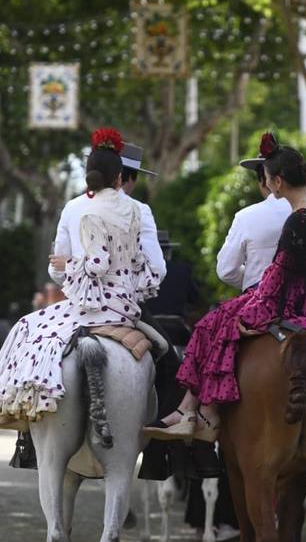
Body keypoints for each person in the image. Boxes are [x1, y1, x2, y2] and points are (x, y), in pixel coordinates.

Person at [143, 133, 306, 446]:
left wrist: (256, 303)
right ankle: (192, 411)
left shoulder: (292, 219)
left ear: (275, 182)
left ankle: (195, 412)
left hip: (286, 298)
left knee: (216, 323)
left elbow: (275, 272)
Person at [0, 128, 161, 428]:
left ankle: (26, 421)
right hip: (126, 309)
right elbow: (155, 269)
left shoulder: (76, 209)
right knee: (165, 355)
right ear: (122, 177)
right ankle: (163, 433)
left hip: (84, 308)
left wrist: (71, 267)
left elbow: (59, 270)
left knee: (27, 331)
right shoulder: (139, 211)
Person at [217, 153, 306, 292]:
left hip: (262, 304)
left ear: (266, 181)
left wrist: (254, 282)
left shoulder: (245, 217)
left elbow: (226, 270)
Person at [49, 140, 166, 289]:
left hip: (79, 301)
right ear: (122, 178)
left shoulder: (72, 207)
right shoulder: (139, 210)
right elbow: (158, 270)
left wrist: (73, 270)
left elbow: (56, 270)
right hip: (124, 305)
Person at [146, 231, 200, 321]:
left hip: (150, 324)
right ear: (168, 252)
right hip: (177, 322)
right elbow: (194, 298)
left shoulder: (142, 271)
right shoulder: (183, 270)